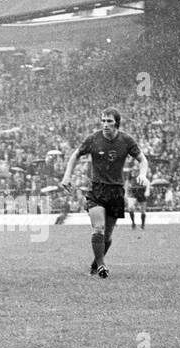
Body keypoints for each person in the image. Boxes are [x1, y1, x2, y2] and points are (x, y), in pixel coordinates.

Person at [58, 107, 148, 278]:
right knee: (98, 229)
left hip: (116, 191)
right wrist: (67, 176)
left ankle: (95, 263)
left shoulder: (126, 140)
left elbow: (142, 159)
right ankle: (101, 265)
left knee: (108, 234)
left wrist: (142, 174)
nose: (105, 124)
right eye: (103, 121)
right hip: (97, 190)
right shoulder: (93, 139)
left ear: (117, 124)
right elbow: (75, 155)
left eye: (109, 121)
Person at [126, 163, 149, 230]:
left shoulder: (143, 172)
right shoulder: (131, 172)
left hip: (141, 191)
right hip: (132, 191)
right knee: (130, 208)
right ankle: (133, 223)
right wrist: (126, 191)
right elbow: (127, 181)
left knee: (143, 210)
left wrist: (147, 190)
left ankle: (142, 225)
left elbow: (147, 181)